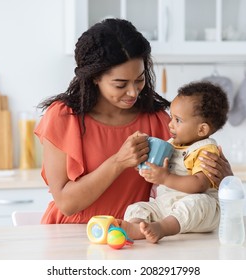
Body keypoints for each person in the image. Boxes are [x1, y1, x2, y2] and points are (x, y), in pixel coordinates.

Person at [34, 18, 233, 224]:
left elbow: (186, 184)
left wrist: (224, 178)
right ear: (95, 78)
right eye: (120, 84)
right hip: (69, 235)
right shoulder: (63, 118)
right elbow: (66, 203)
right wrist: (119, 161)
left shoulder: (157, 121)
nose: (133, 92)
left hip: (134, 235)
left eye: (139, 80)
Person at [121, 81, 229, 243]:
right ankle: (138, 227)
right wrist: (149, 169)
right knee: (138, 207)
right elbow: (162, 171)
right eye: (171, 117)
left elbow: (199, 185)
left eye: (178, 120)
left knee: (197, 203)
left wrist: (164, 178)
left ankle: (163, 228)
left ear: (202, 130)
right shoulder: (172, 144)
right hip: (168, 206)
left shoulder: (206, 150)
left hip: (199, 209)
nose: (170, 124)